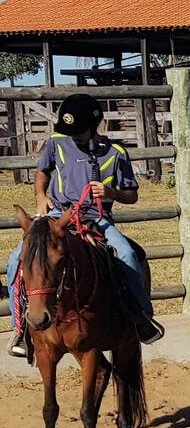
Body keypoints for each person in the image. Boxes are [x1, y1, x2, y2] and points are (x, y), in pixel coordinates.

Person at [7, 94, 164, 357]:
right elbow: (43, 172)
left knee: (127, 255)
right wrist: (40, 196)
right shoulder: (56, 144)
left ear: (95, 126)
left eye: (78, 131)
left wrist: (110, 192)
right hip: (57, 215)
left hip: (97, 218)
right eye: (70, 131)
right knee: (15, 261)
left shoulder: (116, 153)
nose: (74, 136)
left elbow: (132, 195)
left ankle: (141, 318)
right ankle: (21, 328)